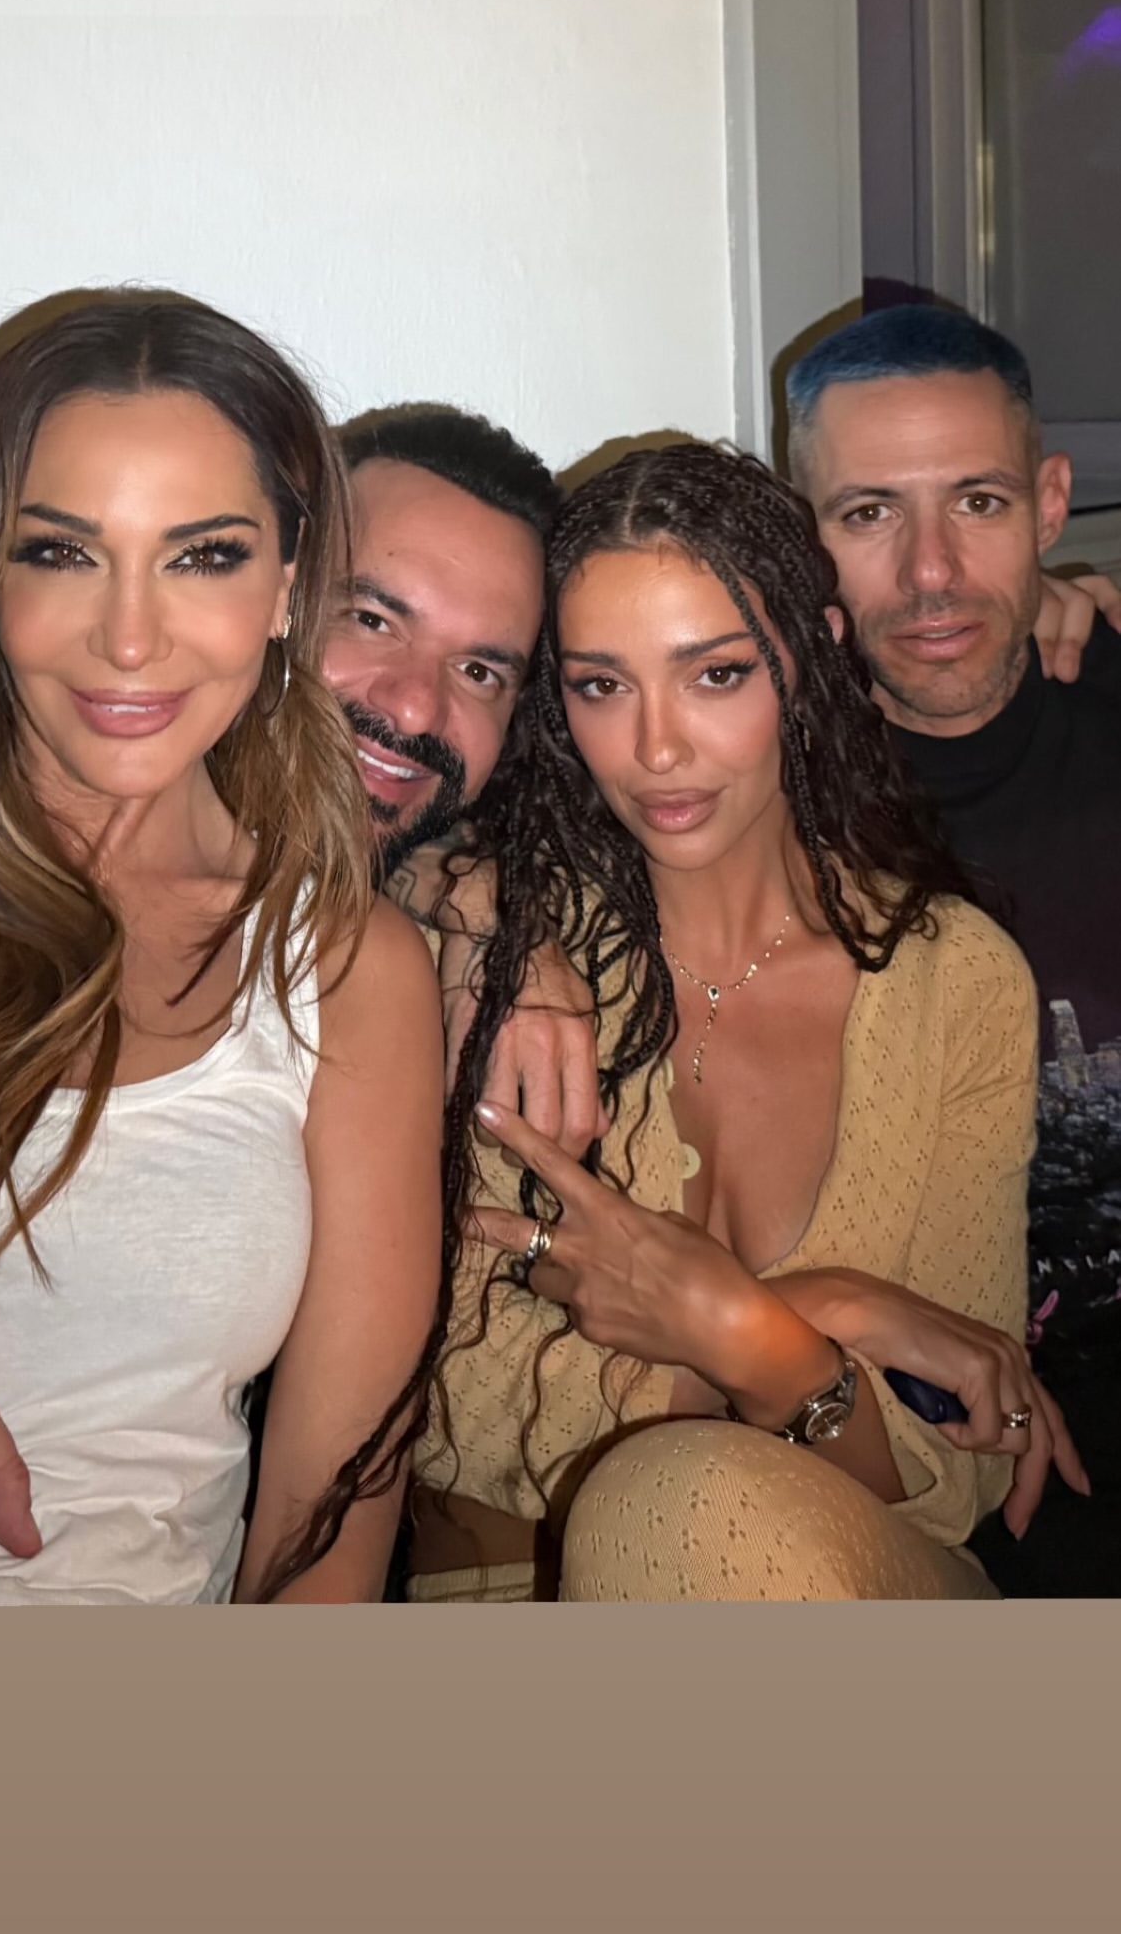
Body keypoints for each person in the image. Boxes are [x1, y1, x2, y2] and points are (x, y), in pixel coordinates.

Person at [0, 288, 445, 1605]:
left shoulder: (350, 973)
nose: (127, 636)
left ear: (287, 591)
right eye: (61, 552)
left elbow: (329, 1521)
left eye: (203, 556)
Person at [409, 438, 1086, 1601]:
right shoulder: (494, 965)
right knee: (676, 1501)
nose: (657, 746)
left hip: (862, 1585)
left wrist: (739, 1331)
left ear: (810, 658)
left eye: (716, 673)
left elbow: (960, 1468)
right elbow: (441, 1406)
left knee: (689, 1498)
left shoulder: (954, 981)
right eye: (601, 684)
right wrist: (806, 1326)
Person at [785, 303, 1121, 1596]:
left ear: (1049, 504)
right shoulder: (738, 775)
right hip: (935, 1431)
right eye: (869, 512)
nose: (930, 572)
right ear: (800, 533)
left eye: (977, 502)